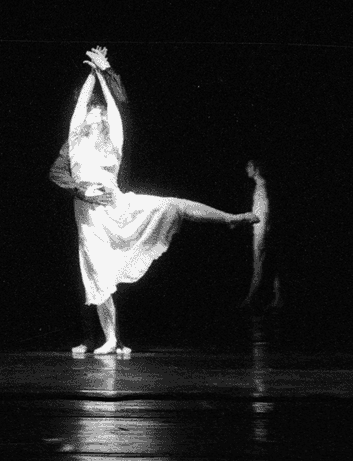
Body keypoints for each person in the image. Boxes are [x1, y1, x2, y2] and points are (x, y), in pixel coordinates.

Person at [49, 47, 259, 355]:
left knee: (171, 204)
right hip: (89, 215)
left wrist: (105, 72)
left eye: (101, 114)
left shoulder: (113, 141)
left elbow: (119, 107)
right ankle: (109, 338)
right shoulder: (74, 144)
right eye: (93, 114)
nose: (98, 117)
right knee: (97, 276)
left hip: (118, 206)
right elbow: (58, 168)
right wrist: (82, 191)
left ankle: (229, 218)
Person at [239, 159, 284, 312]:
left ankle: (250, 299)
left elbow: (266, 211)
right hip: (264, 229)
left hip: (261, 230)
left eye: (249, 166)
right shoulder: (263, 186)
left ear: (256, 168)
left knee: (259, 262)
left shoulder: (261, 186)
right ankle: (278, 298)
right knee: (271, 262)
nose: (246, 169)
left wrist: (262, 230)